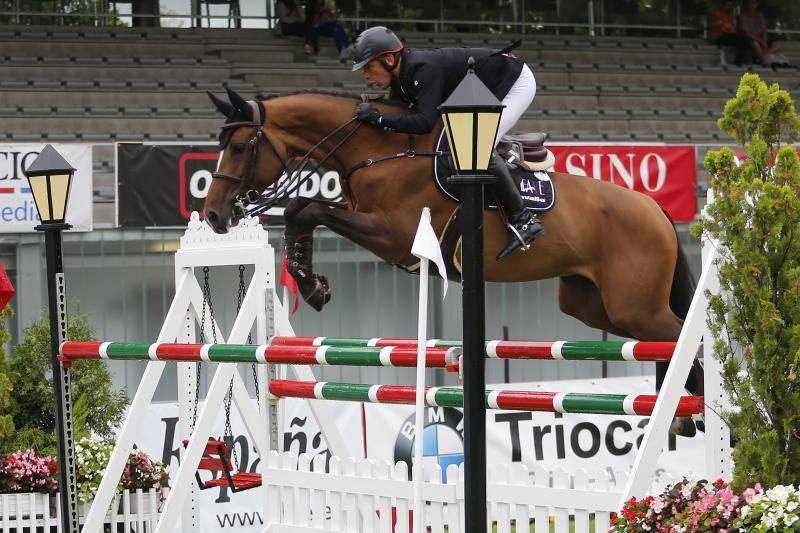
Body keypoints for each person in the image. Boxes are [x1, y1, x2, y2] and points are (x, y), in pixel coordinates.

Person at [351, 26, 544, 261]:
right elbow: (402, 112)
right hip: (487, 86)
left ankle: (524, 220)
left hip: (515, 82)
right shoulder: (402, 79)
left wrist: (379, 119)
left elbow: (423, 123)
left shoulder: (422, 70)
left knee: (476, 147)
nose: (366, 76)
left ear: (390, 59)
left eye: (369, 67)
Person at [739, 0, 780, 65]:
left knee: (777, 44)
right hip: (750, 37)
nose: (753, 5)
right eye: (751, 3)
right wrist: (761, 41)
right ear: (748, 5)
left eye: (754, 3)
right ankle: (763, 61)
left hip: (760, 36)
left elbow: (764, 29)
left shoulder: (759, 15)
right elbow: (746, 32)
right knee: (754, 43)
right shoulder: (744, 16)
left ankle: (763, 56)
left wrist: (765, 40)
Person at [709, 0, 749, 65]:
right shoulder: (717, 14)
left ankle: (739, 61)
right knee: (739, 38)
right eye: (727, 5)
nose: (729, 7)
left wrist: (727, 27)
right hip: (719, 37)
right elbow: (723, 28)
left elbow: (732, 27)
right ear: (723, 6)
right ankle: (738, 61)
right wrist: (725, 26)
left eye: (731, 6)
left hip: (729, 36)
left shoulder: (732, 16)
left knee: (744, 39)